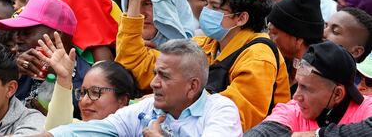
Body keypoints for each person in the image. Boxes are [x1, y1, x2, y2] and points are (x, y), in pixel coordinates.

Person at [116, 0, 290, 131]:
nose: (206, 11)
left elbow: (232, 116)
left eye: (214, 7)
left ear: (241, 18)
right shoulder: (204, 45)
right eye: (206, 3)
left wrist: (168, 99)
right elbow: (136, 64)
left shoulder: (259, 57)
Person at [43, 39, 243, 137]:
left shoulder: (220, 110)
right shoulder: (144, 110)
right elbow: (73, 133)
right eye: (155, 73)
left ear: (193, 86)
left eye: (164, 76)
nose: (154, 83)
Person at [245, 41, 372, 136]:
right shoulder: (292, 110)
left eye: (307, 88)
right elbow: (264, 132)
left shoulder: (367, 109)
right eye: (298, 85)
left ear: (337, 94)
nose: (296, 96)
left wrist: (318, 134)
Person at [0, 0, 91, 119]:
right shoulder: (16, 70)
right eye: (16, 32)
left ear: (57, 36)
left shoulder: (87, 81)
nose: (17, 39)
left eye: (26, 32)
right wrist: (12, 74)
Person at [33, 32, 137, 130]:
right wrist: (64, 79)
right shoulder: (74, 125)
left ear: (122, 101)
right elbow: (56, 131)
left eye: (96, 92)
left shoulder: (141, 130)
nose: (84, 101)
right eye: (82, 93)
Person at [267, 0, 324, 91]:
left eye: (274, 33)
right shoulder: (279, 66)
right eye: (268, 31)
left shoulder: (315, 82)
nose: (268, 38)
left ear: (298, 40)